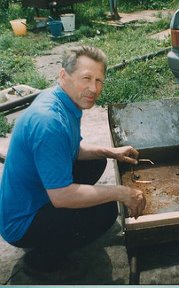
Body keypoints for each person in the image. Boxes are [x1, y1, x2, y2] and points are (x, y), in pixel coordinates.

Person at [0, 45, 146, 280]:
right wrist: (122, 192)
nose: (93, 89)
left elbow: (72, 150)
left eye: (99, 80)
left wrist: (112, 152)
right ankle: (43, 261)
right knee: (106, 212)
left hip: (35, 195)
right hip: (22, 222)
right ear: (63, 76)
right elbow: (62, 197)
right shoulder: (49, 121)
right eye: (86, 78)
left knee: (98, 161)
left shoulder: (62, 100)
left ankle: (54, 232)